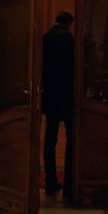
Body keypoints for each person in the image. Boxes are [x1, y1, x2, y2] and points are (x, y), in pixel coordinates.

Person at [42, 10, 74, 199]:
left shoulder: (45, 38)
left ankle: (50, 181)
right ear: (68, 23)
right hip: (67, 95)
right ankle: (70, 183)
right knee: (72, 138)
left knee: (49, 139)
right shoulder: (68, 39)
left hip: (50, 95)